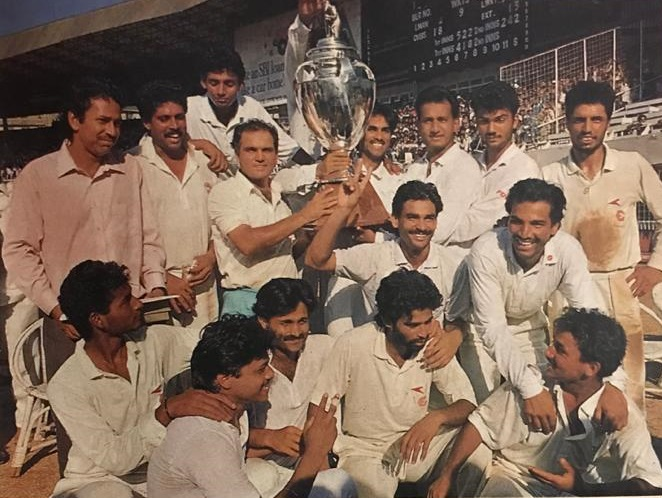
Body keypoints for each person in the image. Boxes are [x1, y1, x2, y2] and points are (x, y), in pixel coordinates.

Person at [446, 178, 627, 431]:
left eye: (537, 224)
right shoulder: (486, 250)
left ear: (554, 227)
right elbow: (493, 329)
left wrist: (614, 383)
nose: (524, 233)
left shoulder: (568, 250)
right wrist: (531, 389)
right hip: (479, 332)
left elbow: (594, 318)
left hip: (529, 327)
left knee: (544, 412)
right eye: (517, 221)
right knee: (484, 414)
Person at [428, 308, 662, 498]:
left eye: (560, 350)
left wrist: (584, 490)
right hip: (510, 478)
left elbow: (650, 483)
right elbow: (479, 425)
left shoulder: (620, 413)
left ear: (591, 368)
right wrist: (446, 477)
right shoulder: (532, 385)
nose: (548, 352)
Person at [47, 260, 234, 498]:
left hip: (157, 476)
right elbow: (114, 459)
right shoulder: (66, 385)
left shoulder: (154, 341)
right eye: (125, 300)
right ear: (98, 320)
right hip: (94, 482)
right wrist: (167, 412)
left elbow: (210, 343)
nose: (138, 304)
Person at [2, 77, 166, 343]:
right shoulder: (38, 176)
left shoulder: (130, 168)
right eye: (103, 121)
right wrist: (57, 309)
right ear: (75, 120)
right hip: (73, 328)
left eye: (117, 123)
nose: (112, 132)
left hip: (130, 318)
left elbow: (149, 237)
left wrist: (156, 287)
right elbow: (19, 250)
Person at [309, 269, 489, 498]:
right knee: (375, 490)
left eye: (427, 322)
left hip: (417, 445)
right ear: (387, 321)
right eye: (413, 325)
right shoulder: (353, 344)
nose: (424, 332)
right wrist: (320, 460)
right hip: (365, 451)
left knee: (478, 454)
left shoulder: (431, 344)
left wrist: (436, 418)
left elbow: (467, 404)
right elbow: (321, 406)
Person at [542, 80, 662, 411]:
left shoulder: (632, 164)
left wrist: (655, 267)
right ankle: (574, 450)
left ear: (608, 121)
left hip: (619, 284)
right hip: (568, 286)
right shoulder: (551, 174)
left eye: (596, 119)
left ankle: (627, 449)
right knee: (570, 374)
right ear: (566, 122)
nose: (587, 128)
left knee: (628, 375)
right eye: (579, 120)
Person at [147, 314, 357, 498]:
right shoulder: (205, 436)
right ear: (225, 379)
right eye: (260, 369)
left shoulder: (234, 411)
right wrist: (314, 453)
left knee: (337, 481)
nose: (270, 374)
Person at [208, 119, 335, 316]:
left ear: (276, 155)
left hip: (287, 300)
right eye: (251, 150)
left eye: (267, 150)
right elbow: (247, 243)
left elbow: (285, 254)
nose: (260, 157)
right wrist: (305, 215)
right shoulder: (225, 192)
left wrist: (310, 232)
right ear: (237, 153)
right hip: (247, 304)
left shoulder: (279, 194)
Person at [133, 80, 222, 331]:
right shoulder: (133, 165)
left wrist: (212, 256)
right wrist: (161, 279)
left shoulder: (205, 161)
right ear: (147, 123)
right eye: (163, 119)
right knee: (168, 363)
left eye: (179, 117)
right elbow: (127, 236)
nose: (174, 126)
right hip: (159, 288)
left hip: (205, 285)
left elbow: (222, 217)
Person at [248, 278, 335, 470]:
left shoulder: (324, 347)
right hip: (263, 466)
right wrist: (269, 437)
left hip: (314, 461)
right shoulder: (250, 363)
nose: (295, 332)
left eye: (302, 321)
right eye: (285, 323)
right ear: (263, 322)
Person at [448, 81, 541, 246]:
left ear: (515, 121)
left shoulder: (524, 169)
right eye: (484, 121)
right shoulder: (469, 163)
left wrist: (436, 229)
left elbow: (479, 221)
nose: (491, 129)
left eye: (499, 120)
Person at [187, 46, 312, 169]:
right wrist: (201, 144)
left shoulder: (250, 107)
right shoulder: (189, 108)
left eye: (229, 84)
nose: (220, 91)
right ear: (203, 82)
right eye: (214, 83)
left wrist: (318, 167)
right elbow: (169, 146)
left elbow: (288, 149)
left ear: (241, 85)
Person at [405, 85, 482, 247]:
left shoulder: (464, 168)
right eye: (428, 121)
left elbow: (438, 232)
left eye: (442, 120)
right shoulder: (414, 168)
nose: (434, 129)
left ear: (456, 124)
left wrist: (380, 237)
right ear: (418, 125)